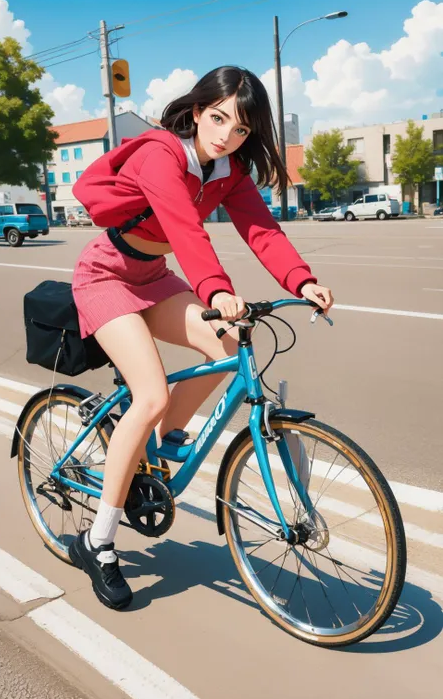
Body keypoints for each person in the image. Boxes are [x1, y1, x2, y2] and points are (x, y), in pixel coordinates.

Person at [69, 65, 334, 610]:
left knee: (228, 349)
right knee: (151, 393)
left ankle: (154, 445)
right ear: (196, 111)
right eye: (217, 119)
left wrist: (302, 279)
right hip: (106, 275)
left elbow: (261, 229)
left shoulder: (229, 171)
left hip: (155, 277)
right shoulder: (159, 154)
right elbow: (184, 229)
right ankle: (99, 541)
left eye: (239, 130)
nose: (224, 136)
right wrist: (215, 292)